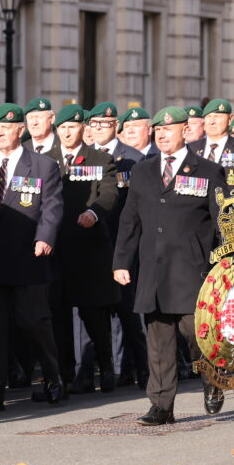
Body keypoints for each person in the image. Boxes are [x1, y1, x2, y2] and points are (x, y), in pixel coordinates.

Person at [112, 106, 228, 425]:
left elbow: (224, 218)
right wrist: (122, 261)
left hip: (192, 269)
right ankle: (161, 405)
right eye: (158, 130)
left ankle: (212, 380)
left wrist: (232, 259)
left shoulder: (207, 170)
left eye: (169, 129)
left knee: (197, 335)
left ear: (185, 132)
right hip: (153, 269)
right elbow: (129, 220)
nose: (162, 134)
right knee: (159, 341)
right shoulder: (144, 171)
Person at [0, 102, 64, 412]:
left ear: (20, 131)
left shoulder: (42, 165)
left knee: (33, 321)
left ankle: (52, 377)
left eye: (5, 129)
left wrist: (45, 237)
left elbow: (52, 206)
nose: (0, 134)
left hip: (26, 258)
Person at [45, 104, 119, 393]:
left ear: (83, 129)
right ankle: (64, 375)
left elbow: (109, 192)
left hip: (89, 248)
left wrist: (95, 213)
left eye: (72, 127)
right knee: (59, 313)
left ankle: (106, 367)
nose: (66, 131)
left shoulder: (101, 159)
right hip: (57, 249)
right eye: (62, 127)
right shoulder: (45, 160)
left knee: (92, 313)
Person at [87, 104, 148, 388]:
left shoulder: (133, 159)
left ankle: (142, 368)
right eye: (95, 123)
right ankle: (108, 368)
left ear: (116, 126)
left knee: (128, 311)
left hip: (124, 244)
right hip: (93, 244)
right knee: (96, 309)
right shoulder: (85, 158)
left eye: (105, 123)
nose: (99, 128)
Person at [187, 99, 234, 217]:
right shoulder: (191, 149)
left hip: (229, 219)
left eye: (217, 117)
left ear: (230, 119)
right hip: (196, 221)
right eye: (209, 117)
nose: (212, 122)